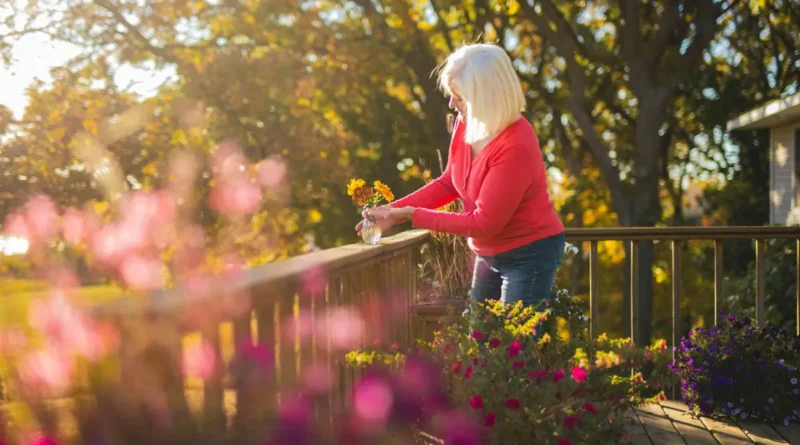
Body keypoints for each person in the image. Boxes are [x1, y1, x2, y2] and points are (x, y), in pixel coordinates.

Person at [357, 43, 565, 309]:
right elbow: (448, 183)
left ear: (486, 98)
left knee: (514, 346)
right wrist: (391, 210)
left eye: (459, 96)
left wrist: (411, 215)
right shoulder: (467, 123)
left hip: (529, 253)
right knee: (479, 338)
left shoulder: (516, 145)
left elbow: (484, 223)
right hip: (488, 253)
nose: (450, 103)